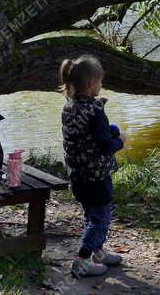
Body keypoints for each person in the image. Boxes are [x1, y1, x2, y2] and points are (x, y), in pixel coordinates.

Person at [59, 55, 125, 278]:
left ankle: (97, 252)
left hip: (78, 175)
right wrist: (120, 141)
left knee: (90, 214)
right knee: (100, 218)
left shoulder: (69, 107)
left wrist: (110, 128)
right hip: (96, 176)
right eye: (100, 82)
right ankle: (82, 260)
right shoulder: (95, 111)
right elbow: (105, 145)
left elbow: (85, 134)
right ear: (90, 84)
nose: (101, 86)